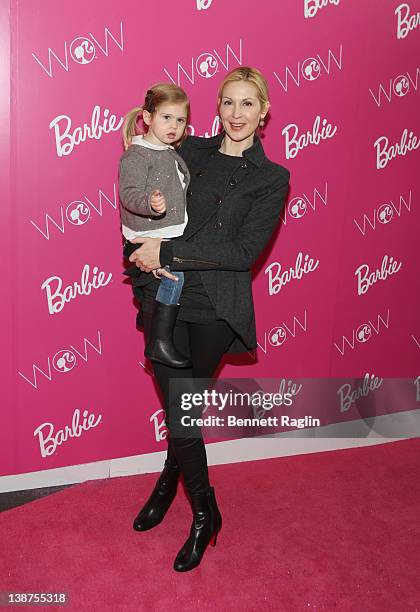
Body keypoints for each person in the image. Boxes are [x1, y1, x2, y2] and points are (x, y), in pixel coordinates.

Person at [123, 67, 291, 572]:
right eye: (227, 103)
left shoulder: (272, 178)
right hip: (166, 301)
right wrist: (140, 248)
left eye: (247, 104)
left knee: (182, 411)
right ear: (215, 109)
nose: (236, 114)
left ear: (263, 113)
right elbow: (143, 195)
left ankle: (186, 501)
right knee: (183, 411)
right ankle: (204, 510)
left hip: (217, 308)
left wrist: (167, 251)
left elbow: (241, 251)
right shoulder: (187, 151)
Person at [119, 83, 193, 368]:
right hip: (149, 234)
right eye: (166, 118)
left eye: (181, 120)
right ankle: (159, 341)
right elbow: (129, 193)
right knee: (176, 279)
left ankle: (147, 315)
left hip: (168, 231)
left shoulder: (167, 150)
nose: (174, 126)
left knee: (169, 280)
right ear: (147, 118)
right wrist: (150, 202)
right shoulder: (138, 155)